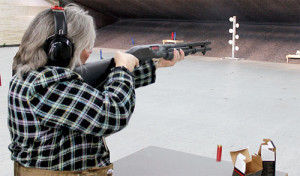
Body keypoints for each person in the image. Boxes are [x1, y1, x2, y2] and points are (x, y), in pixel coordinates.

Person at [8, 3, 184, 176]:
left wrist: (155, 64)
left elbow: (91, 89)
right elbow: (113, 114)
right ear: (61, 49)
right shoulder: (46, 85)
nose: (89, 52)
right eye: (85, 45)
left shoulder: (33, 75)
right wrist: (122, 69)